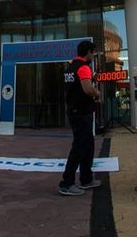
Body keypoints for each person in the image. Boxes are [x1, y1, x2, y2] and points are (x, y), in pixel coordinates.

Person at [55, 40, 101, 196]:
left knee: (87, 145)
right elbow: (88, 89)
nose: (93, 55)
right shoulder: (83, 67)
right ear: (88, 52)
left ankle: (86, 179)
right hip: (82, 112)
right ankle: (67, 183)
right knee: (80, 146)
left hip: (74, 110)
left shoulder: (70, 68)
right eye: (92, 52)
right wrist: (97, 93)